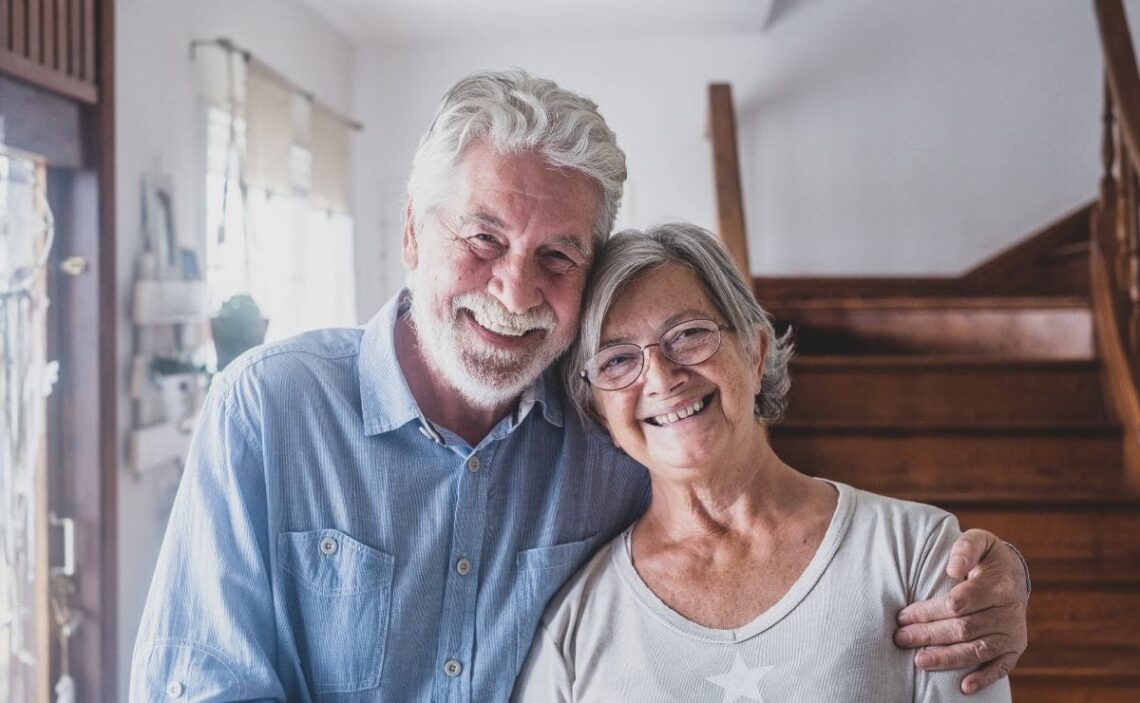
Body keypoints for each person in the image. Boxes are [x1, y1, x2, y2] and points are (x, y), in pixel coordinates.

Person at [130, 69, 1027, 702]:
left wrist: (1001, 578)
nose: (515, 289)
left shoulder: (610, 429)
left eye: (557, 254)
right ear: (412, 235)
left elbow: (773, 522)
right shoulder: (270, 410)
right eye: (482, 239)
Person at [511, 223, 1013, 702]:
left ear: (755, 353)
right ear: (599, 412)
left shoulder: (913, 553)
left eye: (687, 335)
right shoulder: (576, 620)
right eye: (616, 360)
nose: (662, 378)